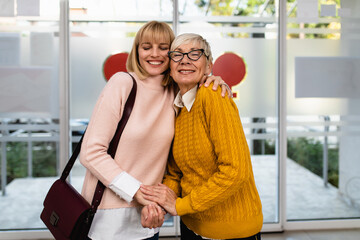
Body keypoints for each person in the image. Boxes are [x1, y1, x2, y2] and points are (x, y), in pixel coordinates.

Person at [79, 21, 231, 240]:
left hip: (149, 216)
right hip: (107, 216)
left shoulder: (175, 93)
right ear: (137, 51)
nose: (155, 54)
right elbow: (91, 152)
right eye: (146, 47)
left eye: (163, 47)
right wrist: (136, 192)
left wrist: (213, 79)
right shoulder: (122, 83)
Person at [140, 33, 263, 240]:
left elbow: (236, 171)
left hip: (230, 231)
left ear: (208, 66)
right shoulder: (177, 108)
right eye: (177, 55)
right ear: (169, 67)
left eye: (195, 54)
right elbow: (175, 173)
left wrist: (180, 205)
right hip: (192, 225)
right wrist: (158, 206)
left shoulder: (213, 96)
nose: (185, 60)